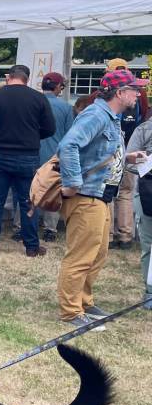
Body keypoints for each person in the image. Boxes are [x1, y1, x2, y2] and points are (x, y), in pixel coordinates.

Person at [57, 69, 147, 330]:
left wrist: (127, 158)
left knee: (97, 254)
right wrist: (73, 182)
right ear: (120, 93)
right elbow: (68, 146)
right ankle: (71, 311)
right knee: (81, 256)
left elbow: (96, 152)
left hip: (101, 196)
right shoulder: (96, 114)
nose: (138, 94)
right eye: (134, 89)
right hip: (87, 196)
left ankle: (84, 302)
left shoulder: (109, 116)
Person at [0, 64, 55, 257]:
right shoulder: (38, 98)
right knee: (27, 202)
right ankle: (31, 246)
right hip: (27, 155)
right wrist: (32, 136)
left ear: (9, 77)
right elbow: (50, 128)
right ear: (27, 79)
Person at [108, 59, 148, 250]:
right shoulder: (141, 96)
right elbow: (144, 117)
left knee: (108, 190)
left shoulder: (101, 96)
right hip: (132, 146)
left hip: (112, 151)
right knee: (126, 192)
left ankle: (107, 235)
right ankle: (125, 236)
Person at [37, 73, 75, 243]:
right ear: (58, 87)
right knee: (53, 192)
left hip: (31, 153)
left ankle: (21, 225)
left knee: (27, 191)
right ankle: (50, 229)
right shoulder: (66, 108)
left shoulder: (33, 102)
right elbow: (70, 136)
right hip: (54, 155)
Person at [125, 115, 152, 309]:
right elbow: (128, 160)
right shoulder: (144, 129)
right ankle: (150, 292)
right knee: (149, 244)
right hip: (147, 192)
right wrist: (147, 163)